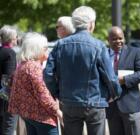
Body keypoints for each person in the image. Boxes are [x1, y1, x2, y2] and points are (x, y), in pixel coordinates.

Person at [43, 6, 122, 135]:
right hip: (95, 102)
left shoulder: (60, 45)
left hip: (69, 102)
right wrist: (114, 94)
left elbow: (48, 74)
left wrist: (58, 94)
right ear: (91, 24)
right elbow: (110, 76)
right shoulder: (98, 45)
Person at [8, 32, 63, 135]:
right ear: (37, 49)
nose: (48, 50)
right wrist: (58, 112)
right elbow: (43, 94)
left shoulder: (22, 65)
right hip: (42, 117)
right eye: (45, 47)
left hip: (28, 114)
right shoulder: (33, 67)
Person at [106, 26, 140, 135]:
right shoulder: (103, 54)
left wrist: (124, 80)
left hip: (130, 106)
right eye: (114, 39)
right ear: (108, 40)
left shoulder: (134, 53)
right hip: (111, 107)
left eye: (120, 38)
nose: (118, 41)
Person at [0, 25, 18, 135]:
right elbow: (8, 78)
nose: (17, 39)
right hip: (5, 97)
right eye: (16, 37)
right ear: (11, 38)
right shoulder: (10, 53)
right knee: (8, 126)